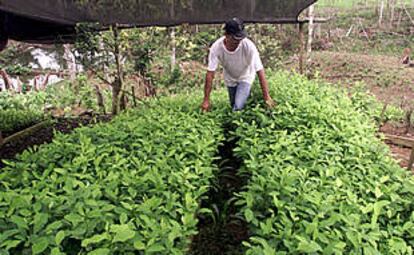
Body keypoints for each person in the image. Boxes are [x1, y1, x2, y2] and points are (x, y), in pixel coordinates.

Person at [201, 17, 275, 112]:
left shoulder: (249, 46)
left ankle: (245, 98)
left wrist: (267, 97)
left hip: (246, 76)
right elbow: (210, 74)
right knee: (233, 105)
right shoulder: (216, 48)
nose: (238, 42)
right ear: (226, 35)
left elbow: (260, 71)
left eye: (240, 38)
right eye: (235, 39)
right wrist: (206, 99)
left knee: (238, 107)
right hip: (230, 78)